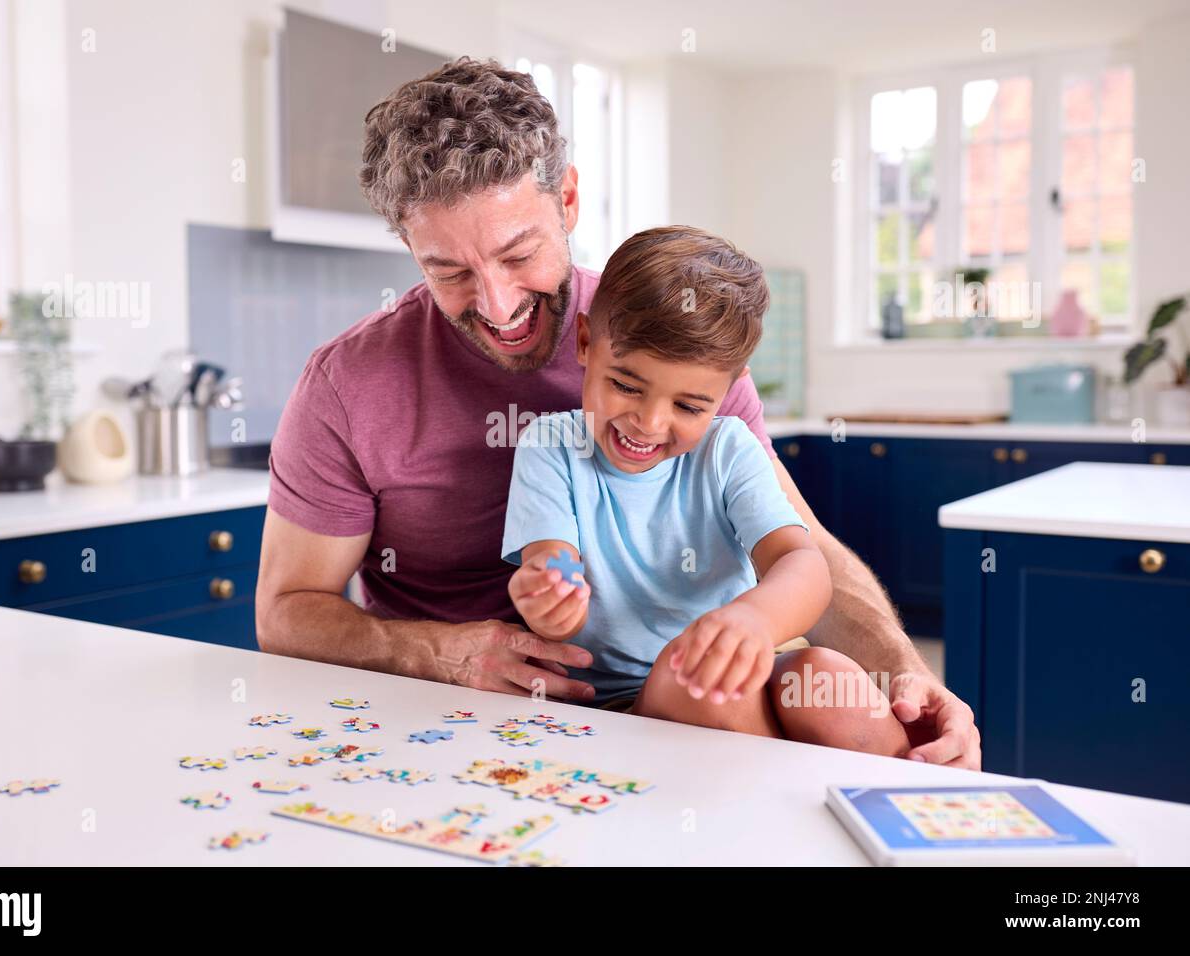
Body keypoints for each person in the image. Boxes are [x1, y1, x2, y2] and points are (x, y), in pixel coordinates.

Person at [256, 56, 980, 768]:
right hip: (475, 732)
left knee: (823, 695)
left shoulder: (671, 337)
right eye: (448, 271)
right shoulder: (348, 384)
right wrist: (438, 654)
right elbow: (286, 610)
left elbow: (799, 549)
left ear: (567, 201)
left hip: (688, 700)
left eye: (518, 255)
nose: (499, 306)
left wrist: (906, 679)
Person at [502, 225, 909, 754]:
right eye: (625, 385)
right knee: (697, 677)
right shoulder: (551, 446)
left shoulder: (729, 449)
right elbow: (554, 564)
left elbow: (802, 564)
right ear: (585, 344)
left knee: (826, 675)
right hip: (623, 705)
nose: (647, 422)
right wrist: (552, 601)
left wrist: (755, 620)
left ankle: (913, 800)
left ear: (731, 387)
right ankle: (787, 810)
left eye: (689, 406)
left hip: (750, 674)